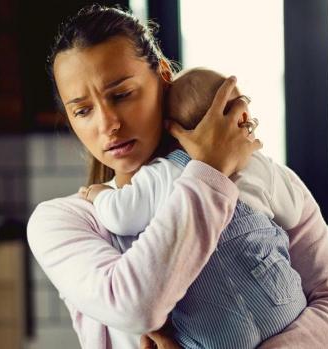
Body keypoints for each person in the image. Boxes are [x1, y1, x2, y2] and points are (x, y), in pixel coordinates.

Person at [27, 4, 328, 349]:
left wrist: (211, 171)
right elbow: (136, 306)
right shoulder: (63, 222)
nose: (107, 124)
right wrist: (208, 171)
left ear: (163, 76)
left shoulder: (261, 178)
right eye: (83, 110)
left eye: (121, 95)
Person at [78, 67, 308, 349]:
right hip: (284, 305)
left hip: (216, 328)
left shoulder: (161, 172)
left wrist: (100, 194)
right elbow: (294, 212)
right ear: (243, 117)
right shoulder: (260, 166)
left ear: (169, 128)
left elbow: (121, 217)